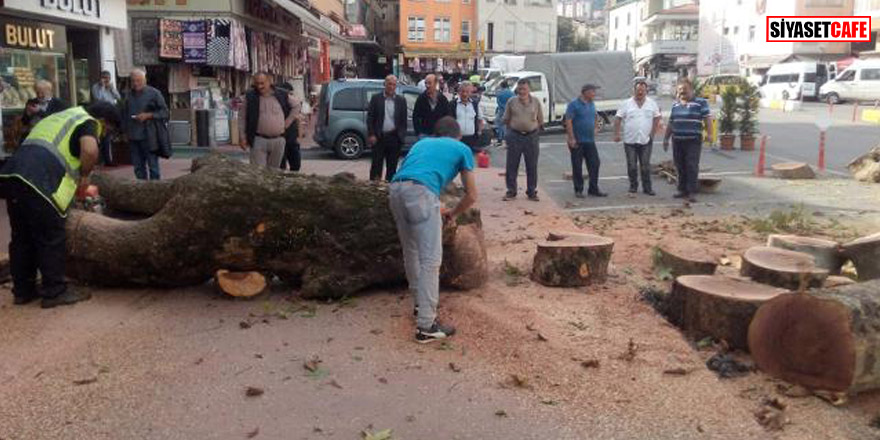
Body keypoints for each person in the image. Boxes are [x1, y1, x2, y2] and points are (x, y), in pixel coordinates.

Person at [0, 102, 121, 308]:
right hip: (39, 180)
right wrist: (85, 175)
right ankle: (54, 291)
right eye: (108, 130)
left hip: (11, 176)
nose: (104, 135)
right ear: (103, 121)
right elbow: (89, 150)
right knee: (51, 236)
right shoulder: (87, 121)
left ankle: (23, 291)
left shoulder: (58, 117)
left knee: (22, 237)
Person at [388, 116, 477, 343]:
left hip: (396, 189)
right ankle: (426, 325)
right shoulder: (462, 148)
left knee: (411, 251)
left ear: (437, 133)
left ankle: (420, 304)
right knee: (431, 259)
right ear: (458, 135)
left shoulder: (421, 143)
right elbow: (472, 195)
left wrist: (434, 205)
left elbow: (416, 176)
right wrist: (453, 214)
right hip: (421, 193)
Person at [664, 78, 713, 203]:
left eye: (684, 89)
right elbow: (671, 122)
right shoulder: (675, 105)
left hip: (693, 141)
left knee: (691, 165)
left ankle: (692, 191)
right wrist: (666, 138)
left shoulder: (701, 102)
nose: (682, 92)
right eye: (680, 89)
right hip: (677, 140)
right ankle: (682, 189)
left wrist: (710, 134)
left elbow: (707, 119)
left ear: (691, 89)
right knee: (679, 165)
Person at [239, 72, 299, 170]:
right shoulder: (250, 97)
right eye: (257, 83)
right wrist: (242, 137)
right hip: (258, 140)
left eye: (262, 83)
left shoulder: (282, 94)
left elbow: (296, 106)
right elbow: (242, 117)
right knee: (258, 172)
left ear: (269, 81)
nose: (259, 86)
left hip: (278, 140)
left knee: (274, 173)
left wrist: (287, 123)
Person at [615, 78, 661, 196]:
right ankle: (633, 186)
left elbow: (657, 117)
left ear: (646, 91)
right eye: (638, 90)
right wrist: (617, 134)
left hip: (646, 140)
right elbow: (618, 118)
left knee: (645, 166)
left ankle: (647, 188)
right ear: (634, 91)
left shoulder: (652, 103)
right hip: (630, 140)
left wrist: (652, 133)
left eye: (642, 90)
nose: (640, 92)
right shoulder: (626, 104)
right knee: (632, 165)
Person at [503, 78, 544, 201]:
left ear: (529, 89)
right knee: (512, 165)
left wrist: (534, 130)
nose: (521, 91)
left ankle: (531, 191)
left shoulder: (536, 102)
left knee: (532, 165)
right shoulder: (511, 101)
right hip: (515, 136)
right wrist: (511, 133)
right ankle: (511, 191)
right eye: (519, 89)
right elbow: (506, 119)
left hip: (531, 137)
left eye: (524, 89)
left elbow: (540, 120)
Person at [124, 69, 168, 180]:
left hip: (149, 136)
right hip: (133, 136)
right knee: (138, 167)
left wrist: (149, 115)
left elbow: (165, 112)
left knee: (153, 167)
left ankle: (155, 188)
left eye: (138, 80)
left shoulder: (154, 94)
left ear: (145, 80)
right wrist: (124, 131)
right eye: (133, 81)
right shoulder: (128, 95)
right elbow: (124, 114)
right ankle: (141, 187)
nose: (135, 83)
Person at [565, 84, 607, 199]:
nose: (594, 94)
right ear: (585, 92)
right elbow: (568, 121)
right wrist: (571, 138)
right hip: (578, 140)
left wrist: (595, 128)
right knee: (577, 165)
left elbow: (595, 116)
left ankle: (593, 188)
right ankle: (578, 189)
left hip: (589, 140)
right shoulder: (574, 105)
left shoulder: (591, 104)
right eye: (592, 91)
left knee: (595, 163)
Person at [366, 75, 407, 181]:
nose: (391, 87)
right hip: (379, 137)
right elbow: (370, 118)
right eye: (389, 84)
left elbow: (403, 121)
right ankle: (375, 187)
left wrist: (401, 136)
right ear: (385, 84)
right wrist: (371, 134)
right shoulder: (376, 98)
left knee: (392, 167)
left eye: (393, 85)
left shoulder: (401, 101)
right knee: (376, 166)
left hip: (394, 137)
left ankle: (389, 186)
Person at [91, 70, 121, 166]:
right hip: (101, 114)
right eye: (104, 78)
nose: (106, 80)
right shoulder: (96, 87)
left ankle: (108, 159)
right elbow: (98, 98)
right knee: (102, 137)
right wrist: (103, 87)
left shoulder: (111, 87)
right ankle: (102, 159)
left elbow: (118, 97)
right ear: (101, 78)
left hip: (111, 113)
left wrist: (112, 89)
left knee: (108, 137)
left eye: (108, 78)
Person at [274, 82, 303, 172]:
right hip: (280, 135)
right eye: (290, 93)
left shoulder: (293, 104)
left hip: (291, 136)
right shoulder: (277, 102)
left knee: (295, 162)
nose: (291, 96)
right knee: (281, 162)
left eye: (291, 94)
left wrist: (299, 136)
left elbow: (298, 120)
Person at [412, 74, 451, 139]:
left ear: (435, 84)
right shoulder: (421, 99)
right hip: (425, 135)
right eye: (426, 83)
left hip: (440, 135)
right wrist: (419, 133)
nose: (427, 85)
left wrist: (445, 132)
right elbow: (415, 117)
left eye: (429, 83)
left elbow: (448, 116)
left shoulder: (443, 99)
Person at [450, 81, 483, 152]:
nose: (464, 94)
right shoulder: (452, 104)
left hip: (472, 139)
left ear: (471, 92)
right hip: (457, 139)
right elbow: (449, 122)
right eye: (462, 91)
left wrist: (479, 132)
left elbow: (480, 119)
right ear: (459, 92)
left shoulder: (475, 104)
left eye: (467, 92)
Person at [494, 80, 514, 146]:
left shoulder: (499, 93)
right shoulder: (512, 93)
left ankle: (500, 139)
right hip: (510, 111)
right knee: (509, 125)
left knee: (499, 124)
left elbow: (498, 103)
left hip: (502, 111)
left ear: (501, 86)